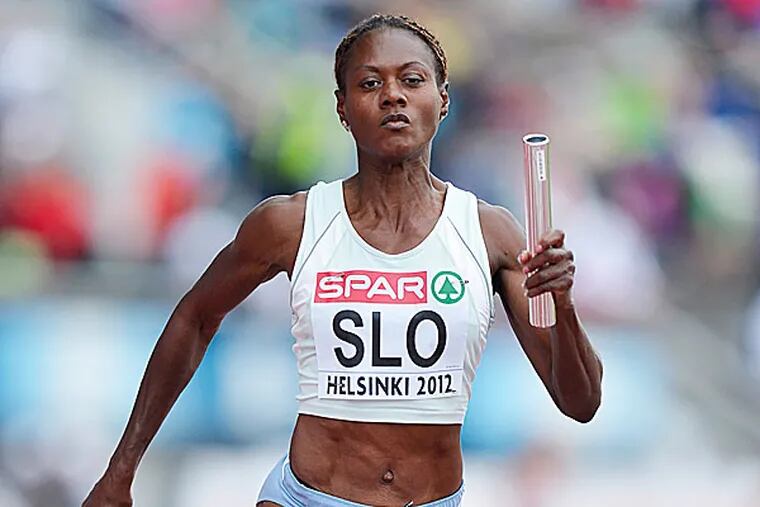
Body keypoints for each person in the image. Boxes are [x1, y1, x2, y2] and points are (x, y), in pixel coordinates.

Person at [82, 13, 603, 507]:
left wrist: (563, 305)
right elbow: (194, 318)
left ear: (443, 100)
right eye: (370, 83)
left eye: (412, 80)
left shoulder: (490, 233)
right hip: (307, 495)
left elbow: (580, 402)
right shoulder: (291, 223)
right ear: (342, 108)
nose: (393, 95)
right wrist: (121, 469)